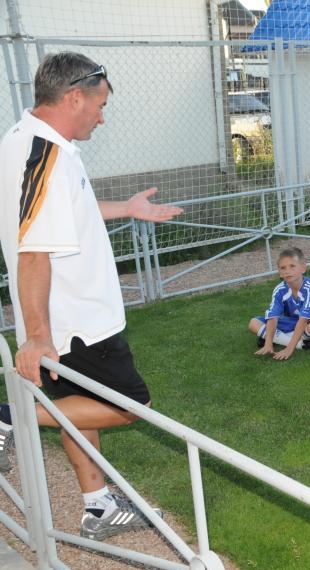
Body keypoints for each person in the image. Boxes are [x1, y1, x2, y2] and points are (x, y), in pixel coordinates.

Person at [0, 53, 182, 540]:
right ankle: (10, 418)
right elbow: (34, 252)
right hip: (79, 319)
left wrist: (128, 208)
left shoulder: (26, 141)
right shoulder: (45, 154)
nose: (102, 117)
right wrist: (38, 336)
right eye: (100, 106)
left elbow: (65, 211)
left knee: (78, 403)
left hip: (65, 317)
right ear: (74, 98)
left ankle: (97, 506)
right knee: (130, 405)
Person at [248, 247, 310, 360]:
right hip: (289, 323)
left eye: (292, 266)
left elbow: (303, 320)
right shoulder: (279, 289)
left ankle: (278, 338)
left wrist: (289, 349)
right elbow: (273, 317)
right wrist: (268, 344)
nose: (287, 271)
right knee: (253, 323)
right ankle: (303, 344)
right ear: (279, 272)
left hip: (309, 323)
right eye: (283, 268)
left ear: (303, 268)